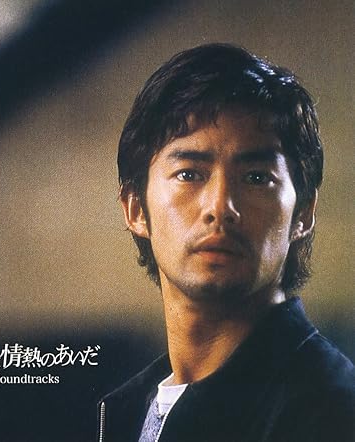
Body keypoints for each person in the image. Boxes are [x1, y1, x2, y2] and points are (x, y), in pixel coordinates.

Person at [97, 43, 354, 442]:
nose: (220, 207)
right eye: (189, 174)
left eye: (256, 178)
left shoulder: (332, 407)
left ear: (303, 212)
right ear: (135, 209)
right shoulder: (131, 410)